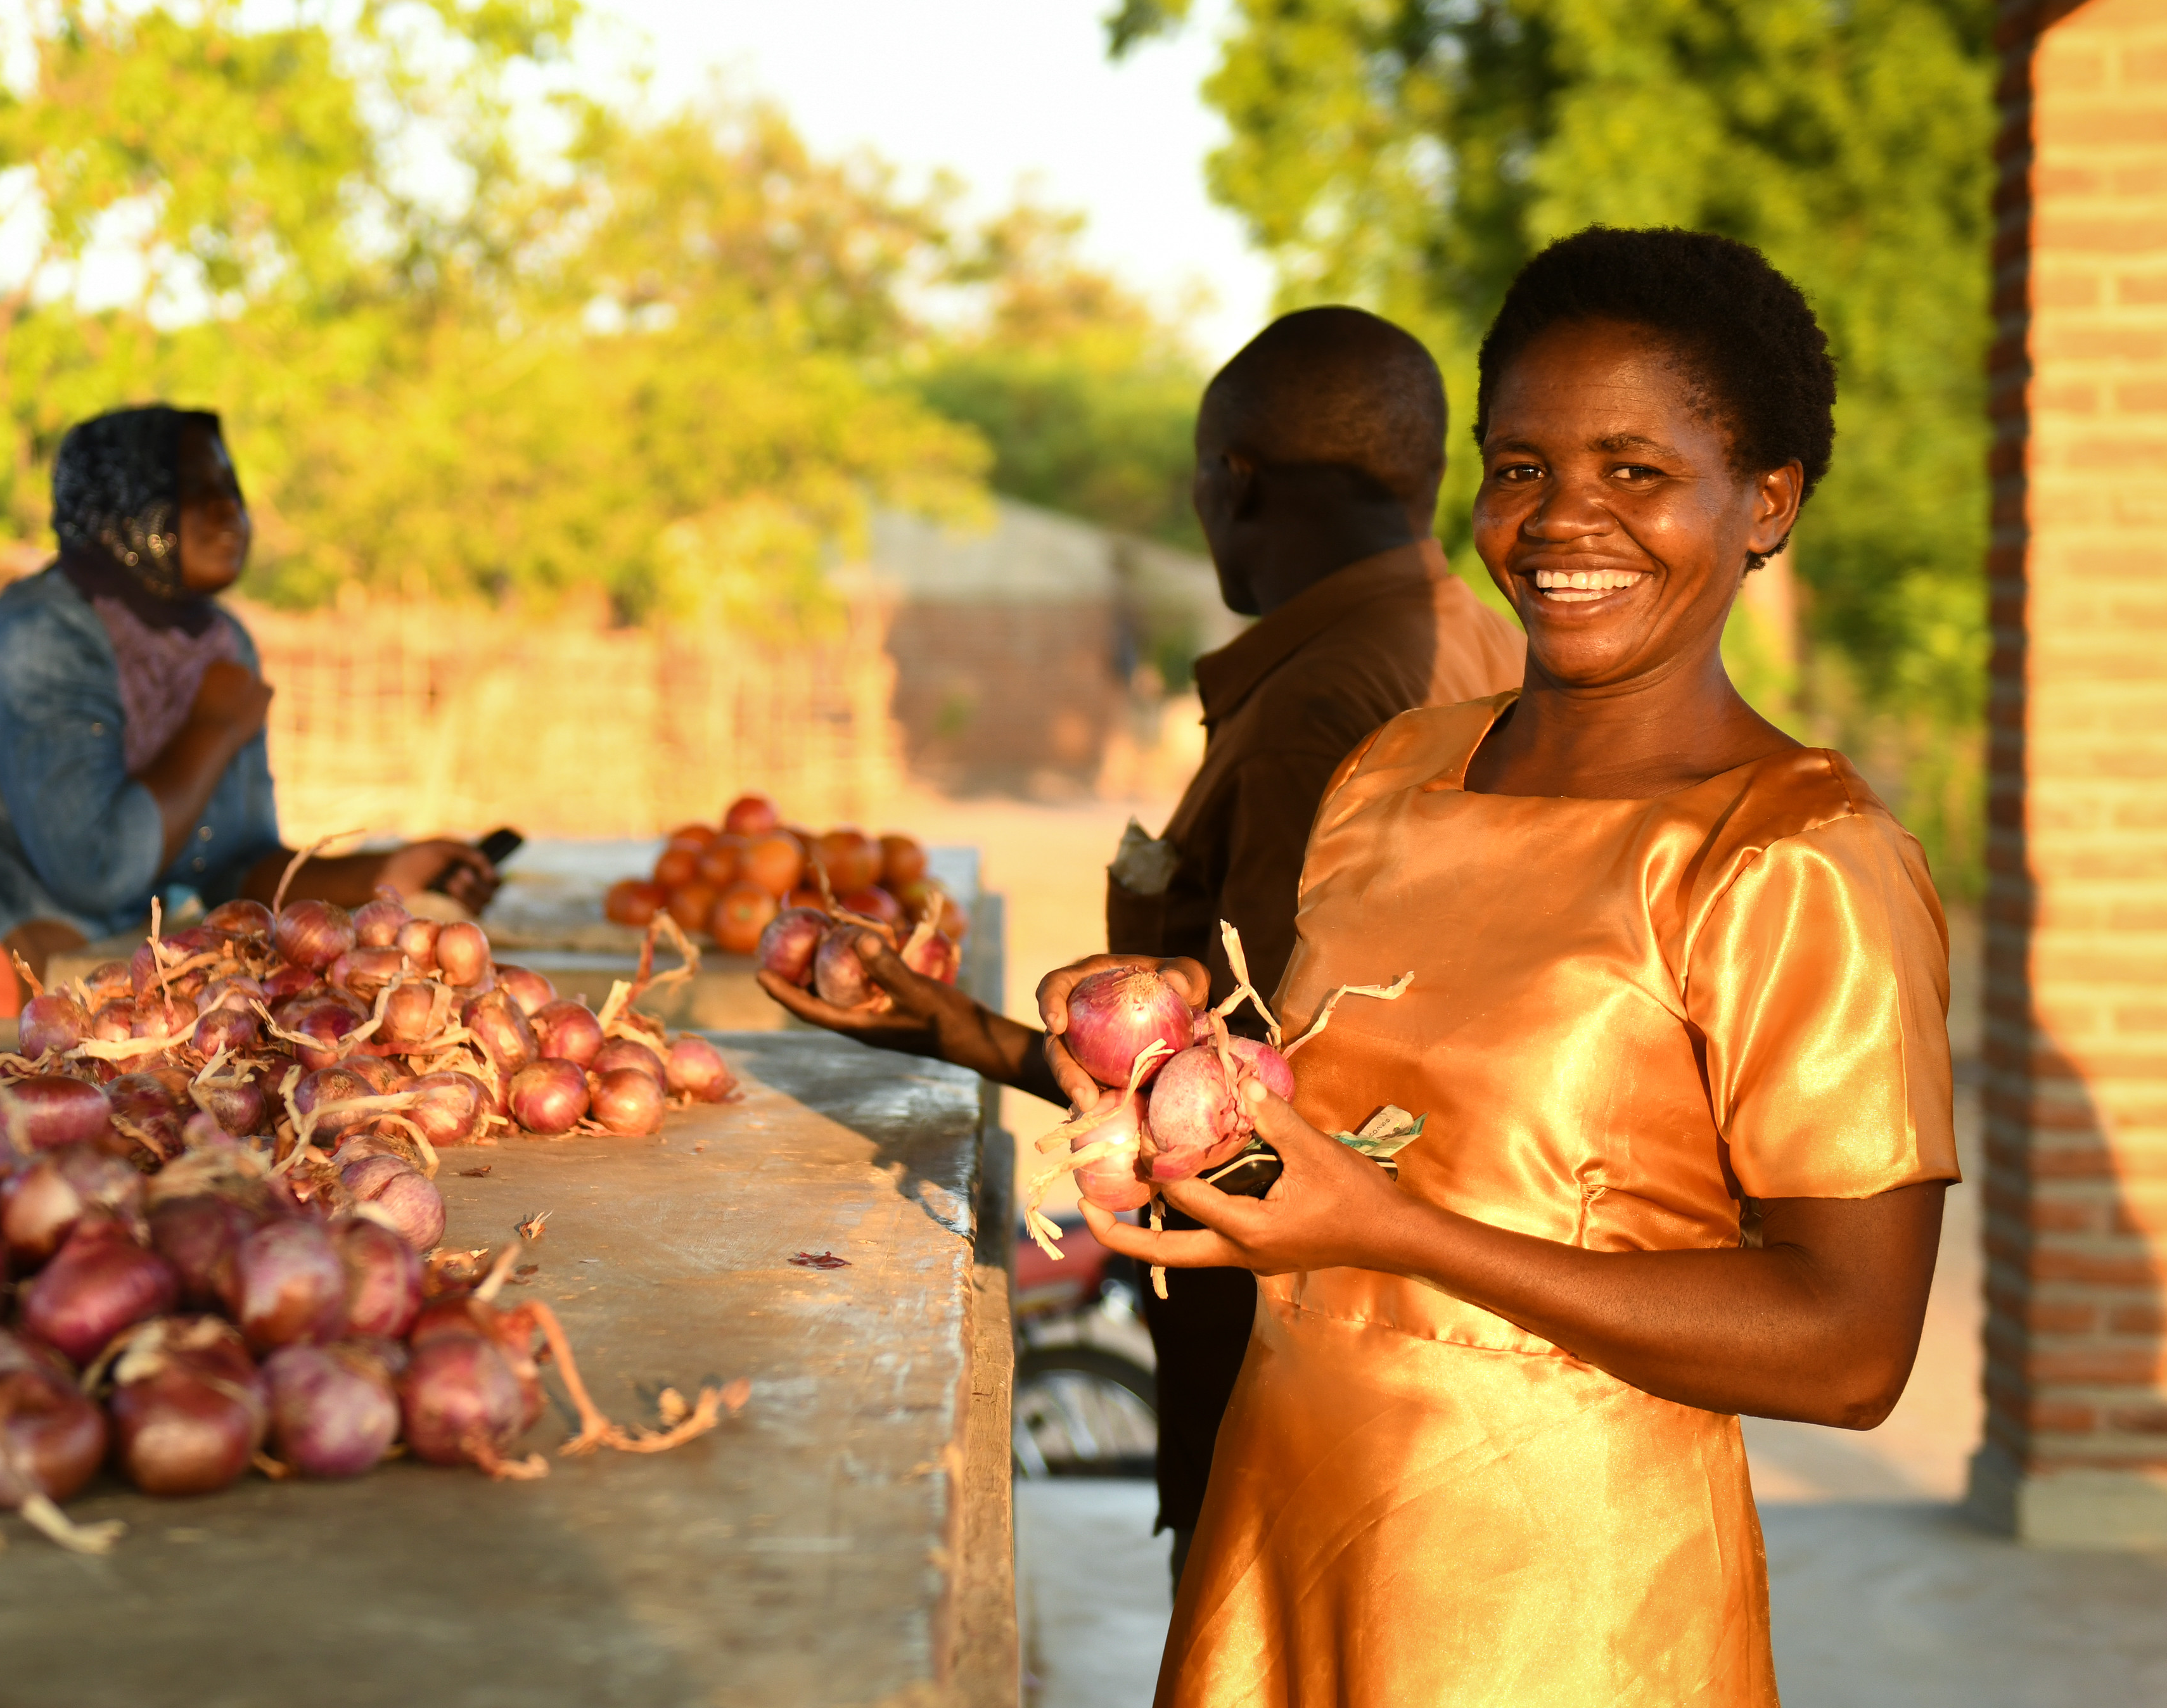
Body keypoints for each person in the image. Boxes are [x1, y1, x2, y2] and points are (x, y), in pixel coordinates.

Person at [1058, 227, 1957, 1705]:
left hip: (1562, 1601)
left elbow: (1850, 1352)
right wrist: (1121, 1080)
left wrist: (1403, 1235)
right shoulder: (1393, 774)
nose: (1560, 521)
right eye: (1523, 465)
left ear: (1767, 503)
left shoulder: (1791, 857)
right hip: (1286, 1517)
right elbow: (1332, 1134)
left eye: (1636, 471)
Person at [758, 309, 1523, 1578]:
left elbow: (1253, 1097)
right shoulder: (1462, 640)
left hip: (1293, 1371)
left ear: (1231, 484)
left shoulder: (1324, 704)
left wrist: (963, 1035)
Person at [0, 405, 499, 1021]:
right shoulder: (36, 636)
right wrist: (211, 730)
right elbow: (98, 866)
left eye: (231, 487)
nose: (228, 511)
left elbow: (234, 870)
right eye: (190, 489)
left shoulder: (219, 644)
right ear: (115, 508)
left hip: (44, 1009)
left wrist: (390, 872)